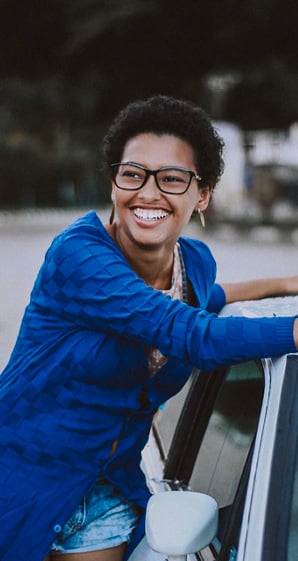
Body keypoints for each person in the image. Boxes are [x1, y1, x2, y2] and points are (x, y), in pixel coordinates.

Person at [0, 95, 297, 561]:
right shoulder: (79, 256)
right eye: (133, 173)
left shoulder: (195, 263)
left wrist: (286, 281)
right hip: (17, 482)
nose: (149, 192)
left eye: (173, 178)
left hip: (107, 494)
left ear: (203, 195)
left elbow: (203, 301)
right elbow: (191, 333)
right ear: (115, 181)